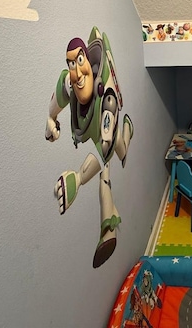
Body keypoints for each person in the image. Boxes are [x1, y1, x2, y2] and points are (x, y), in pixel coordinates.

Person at [45, 27, 133, 267]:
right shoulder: (70, 81)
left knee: (115, 148)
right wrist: (50, 120)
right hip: (101, 136)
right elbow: (57, 99)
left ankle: (127, 132)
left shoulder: (108, 100)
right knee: (110, 167)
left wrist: (78, 179)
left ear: (87, 58)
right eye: (71, 64)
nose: (76, 71)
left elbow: (102, 152)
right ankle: (108, 228)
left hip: (107, 133)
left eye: (79, 60)